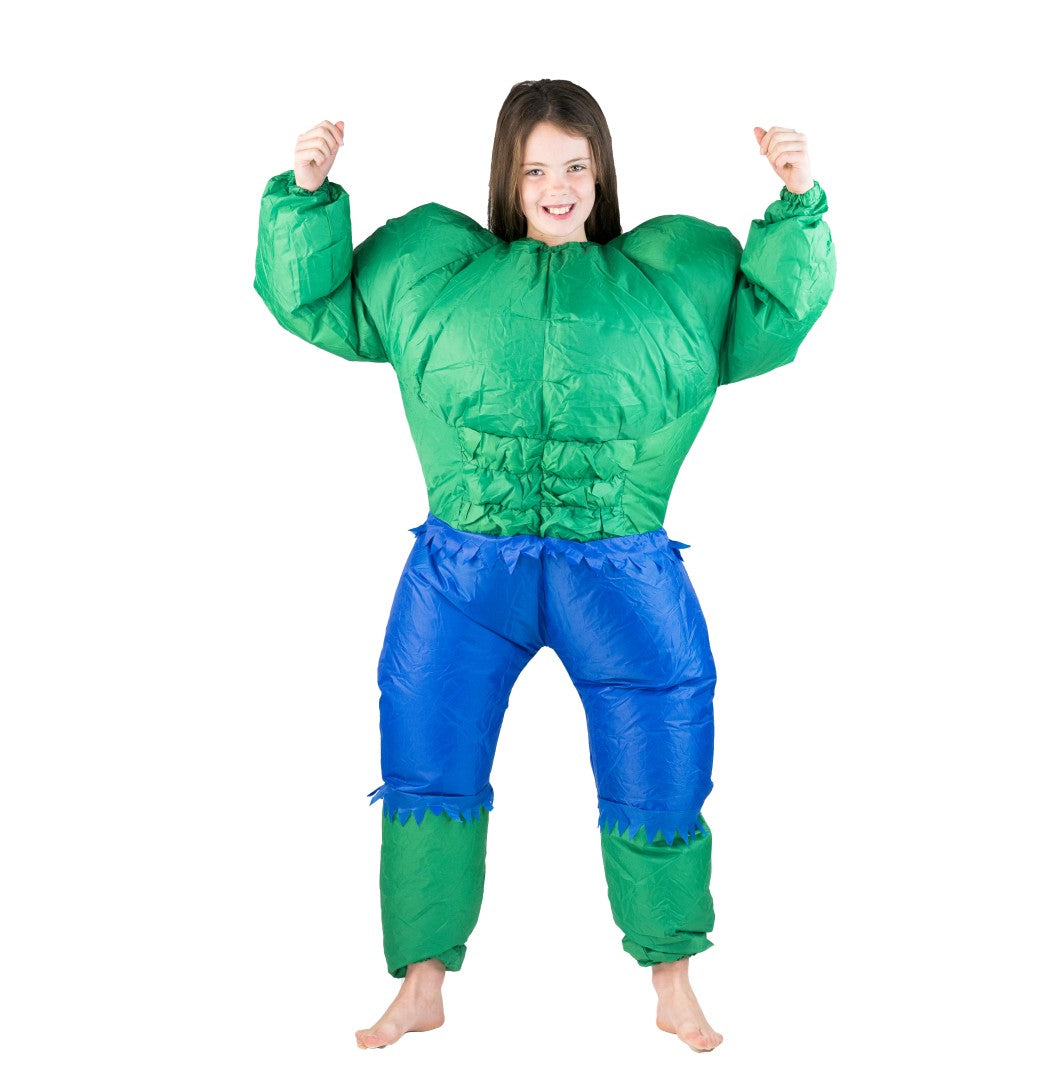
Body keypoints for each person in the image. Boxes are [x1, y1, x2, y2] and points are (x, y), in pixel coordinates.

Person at [253, 78, 835, 1054]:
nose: (556, 187)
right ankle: (422, 983)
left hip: (621, 571)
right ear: (507, 178)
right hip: (464, 573)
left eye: (574, 166)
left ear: (600, 174)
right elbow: (317, 302)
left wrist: (796, 203)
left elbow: (772, 315)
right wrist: (305, 198)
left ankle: (673, 979)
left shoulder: (669, 282)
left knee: (663, 756)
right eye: (534, 170)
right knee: (425, 756)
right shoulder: (438, 276)